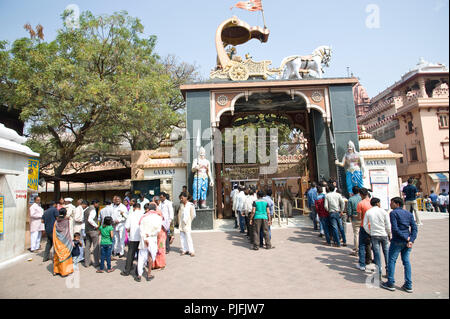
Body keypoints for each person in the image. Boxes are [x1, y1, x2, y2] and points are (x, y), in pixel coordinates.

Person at [381, 197, 418, 293]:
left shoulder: (393, 213)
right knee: (406, 262)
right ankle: (408, 284)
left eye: (391, 203)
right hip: (407, 241)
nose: (390, 204)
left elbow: (395, 229)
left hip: (398, 240)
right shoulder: (408, 213)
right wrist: (411, 239)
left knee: (392, 261)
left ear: (397, 204)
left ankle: (390, 282)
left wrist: (407, 238)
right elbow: (414, 228)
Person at [363, 197, 391, 279]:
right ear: (378, 203)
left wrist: (370, 232)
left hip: (374, 234)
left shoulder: (368, 212)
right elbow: (388, 225)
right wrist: (389, 233)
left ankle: (378, 272)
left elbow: (365, 225)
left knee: (377, 254)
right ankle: (389, 271)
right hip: (383, 234)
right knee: (386, 253)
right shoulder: (383, 211)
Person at [136, 203, 162, 282]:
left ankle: (139, 275)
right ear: (155, 209)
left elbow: (140, 229)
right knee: (151, 256)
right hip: (152, 238)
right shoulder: (158, 217)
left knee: (141, 257)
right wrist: (150, 234)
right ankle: (149, 274)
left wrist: (144, 237)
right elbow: (158, 230)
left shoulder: (144, 217)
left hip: (144, 238)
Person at [121, 203, 144, 277]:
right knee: (140, 255)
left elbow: (127, 226)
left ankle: (127, 270)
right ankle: (138, 271)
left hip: (133, 237)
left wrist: (130, 230)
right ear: (140, 208)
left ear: (134, 208)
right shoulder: (143, 215)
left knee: (130, 254)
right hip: (141, 237)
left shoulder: (131, 214)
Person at [356, 188, 374, 271]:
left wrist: (354, 217)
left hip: (364, 225)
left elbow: (359, 217)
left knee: (362, 245)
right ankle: (374, 262)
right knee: (372, 245)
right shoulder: (372, 203)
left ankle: (362, 264)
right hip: (373, 226)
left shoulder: (360, 203)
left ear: (361, 194)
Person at [53, 208, 74, 277]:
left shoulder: (56, 221)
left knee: (58, 254)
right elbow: (68, 230)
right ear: (65, 213)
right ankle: (65, 271)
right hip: (65, 240)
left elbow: (55, 231)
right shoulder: (66, 220)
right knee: (66, 255)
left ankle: (56, 270)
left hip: (58, 241)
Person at [178, 192, 196, 256]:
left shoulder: (190, 205)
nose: (181, 199)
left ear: (186, 197)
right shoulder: (181, 205)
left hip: (187, 223)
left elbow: (193, 215)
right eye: (180, 198)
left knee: (188, 237)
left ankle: (191, 251)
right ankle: (184, 249)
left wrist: (189, 221)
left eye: (182, 198)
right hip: (181, 223)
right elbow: (179, 214)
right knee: (182, 237)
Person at [84, 199, 100, 268]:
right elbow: (90, 219)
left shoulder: (86, 210)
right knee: (96, 246)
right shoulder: (93, 210)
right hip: (93, 230)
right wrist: (96, 226)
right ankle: (96, 262)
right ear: (95, 203)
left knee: (87, 246)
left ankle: (87, 263)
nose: (98, 205)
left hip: (87, 230)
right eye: (98, 204)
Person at [152, 200, 168, 270]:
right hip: (156, 234)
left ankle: (161, 264)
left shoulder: (158, 213)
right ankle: (155, 264)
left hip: (161, 235)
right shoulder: (155, 212)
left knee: (160, 249)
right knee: (155, 249)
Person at [347, 186, 362, 256]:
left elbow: (349, 210)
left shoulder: (351, 199)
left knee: (356, 233)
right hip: (362, 217)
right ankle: (363, 248)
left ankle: (356, 248)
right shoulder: (362, 198)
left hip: (355, 217)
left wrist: (349, 216)